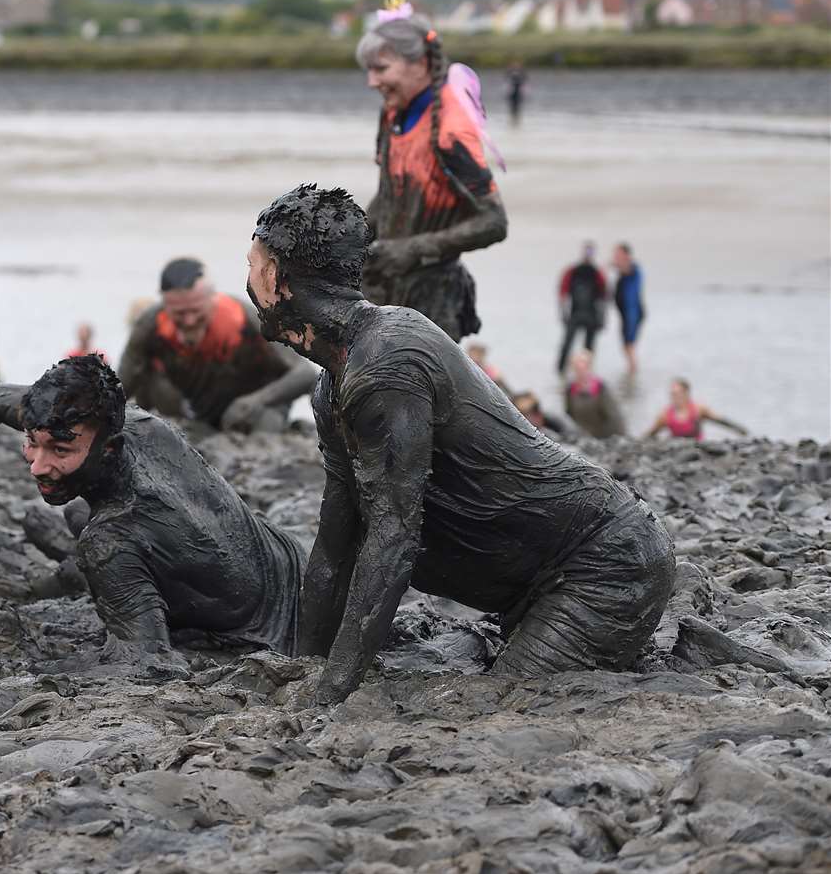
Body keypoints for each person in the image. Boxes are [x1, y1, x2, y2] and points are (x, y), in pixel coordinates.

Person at [247, 184, 673, 705]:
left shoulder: (387, 364)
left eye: (251, 265)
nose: (246, 280)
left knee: (500, 704)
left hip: (602, 565)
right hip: (528, 584)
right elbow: (336, 542)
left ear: (274, 279)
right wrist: (304, 667)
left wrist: (332, 690)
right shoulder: (332, 383)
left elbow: (393, 539)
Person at [0, 354, 303, 674]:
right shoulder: (141, 424)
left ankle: (66, 570)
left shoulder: (110, 540)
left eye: (60, 450)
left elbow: (149, 666)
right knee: (70, 515)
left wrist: (33, 668)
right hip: (287, 561)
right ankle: (67, 560)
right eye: (32, 442)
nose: (38, 465)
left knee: (86, 535)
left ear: (109, 447)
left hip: (275, 631)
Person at [355, 2, 508, 341]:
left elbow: (495, 222)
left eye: (380, 69)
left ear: (420, 64)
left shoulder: (451, 131)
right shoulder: (394, 113)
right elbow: (392, 192)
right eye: (368, 70)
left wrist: (409, 248)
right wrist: (353, 239)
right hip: (383, 287)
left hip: (434, 301)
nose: (371, 81)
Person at [119, 257, 315, 432]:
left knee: (265, 420)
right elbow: (121, 387)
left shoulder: (247, 319)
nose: (189, 321)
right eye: (179, 313)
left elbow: (305, 373)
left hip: (250, 410)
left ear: (212, 298)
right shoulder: (150, 325)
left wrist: (257, 400)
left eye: (196, 311)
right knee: (150, 380)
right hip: (193, 412)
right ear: (165, 305)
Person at [557, 241, 608, 374]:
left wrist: (602, 318)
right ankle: (560, 371)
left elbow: (604, 296)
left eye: (590, 253)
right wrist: (563, 313)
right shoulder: (572, 271)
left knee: (589, 349)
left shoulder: (597, 273)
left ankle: (587, 373)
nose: (587, 256)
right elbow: (562, 293)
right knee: (566, 345)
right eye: (586, 252)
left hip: (592, 314)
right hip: (575, 314)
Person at [644, 378, 746, 440]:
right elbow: (651, 433)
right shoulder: (665, 415)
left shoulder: (698, 409)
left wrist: (741, 431)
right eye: (672, 394)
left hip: (697, 447)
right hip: (675, 449)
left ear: (686, 393)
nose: (675, 397)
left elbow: (721, 421)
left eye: (678, 393)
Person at [564, 349, 625, 439]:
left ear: (589, 367)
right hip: (581, 436)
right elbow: (568, 414)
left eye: (583, 368)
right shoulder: (570, 390)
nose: (580, 372)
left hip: (601, 436)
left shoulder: (601, 389)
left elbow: (614, 418)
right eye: (577, 369)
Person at [613, 243, 646, 375]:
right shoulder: (623, 270)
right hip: (625, 314)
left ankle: (633, 370)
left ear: (626, 255)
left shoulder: (633, 269)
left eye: (618, 254)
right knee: (626, 345)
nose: (615, 257)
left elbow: (627, 269)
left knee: (629, 344)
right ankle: (631, 369)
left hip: (632, 314)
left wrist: (615, 264)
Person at [505, 61, 527, 126]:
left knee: (517, 106)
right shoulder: (510, 72)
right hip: (512, 91)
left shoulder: (521, 72)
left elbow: (524, 81)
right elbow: (506, 81)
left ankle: (516, 118)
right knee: (512, 106)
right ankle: (513, 118)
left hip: (518, 92)